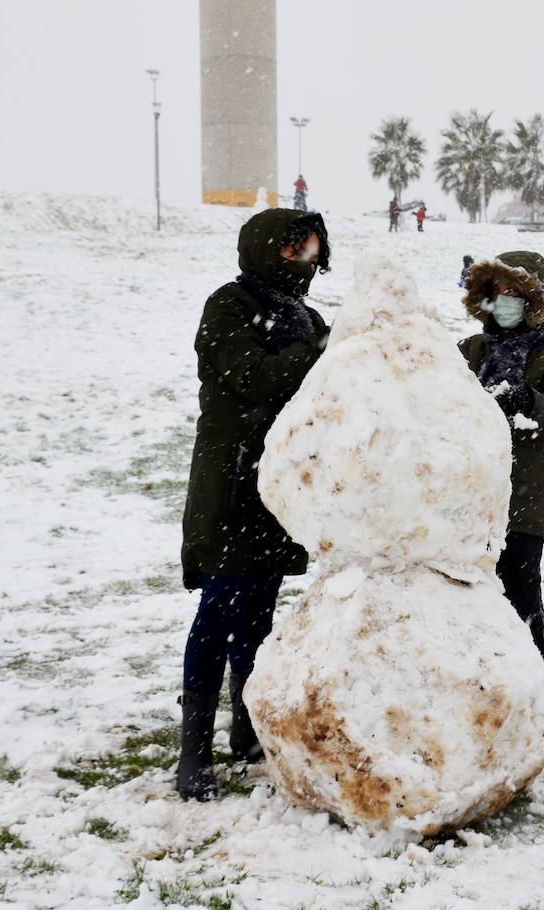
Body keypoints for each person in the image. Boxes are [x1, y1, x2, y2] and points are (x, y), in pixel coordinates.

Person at [177, 207, 332, 801]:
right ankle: (193, 750)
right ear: (271, 250)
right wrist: (318, 351)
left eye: (314, 250)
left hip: (277, 485)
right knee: (219, 608)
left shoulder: (308, 316)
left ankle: (246, 729)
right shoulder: (229, 305)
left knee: (261, 611)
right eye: (298, 250)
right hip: (229, 479)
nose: (308, 261)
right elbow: (255, 377)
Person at [458, 251, 544, 663]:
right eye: (498, 291)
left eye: (515, 292)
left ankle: (532, 687)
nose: (505, 300)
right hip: (465, 500)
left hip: (522, 503)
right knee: (466, 599)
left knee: (521, 599)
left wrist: (527, 401)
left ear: (534, 300)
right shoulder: (469, 350)